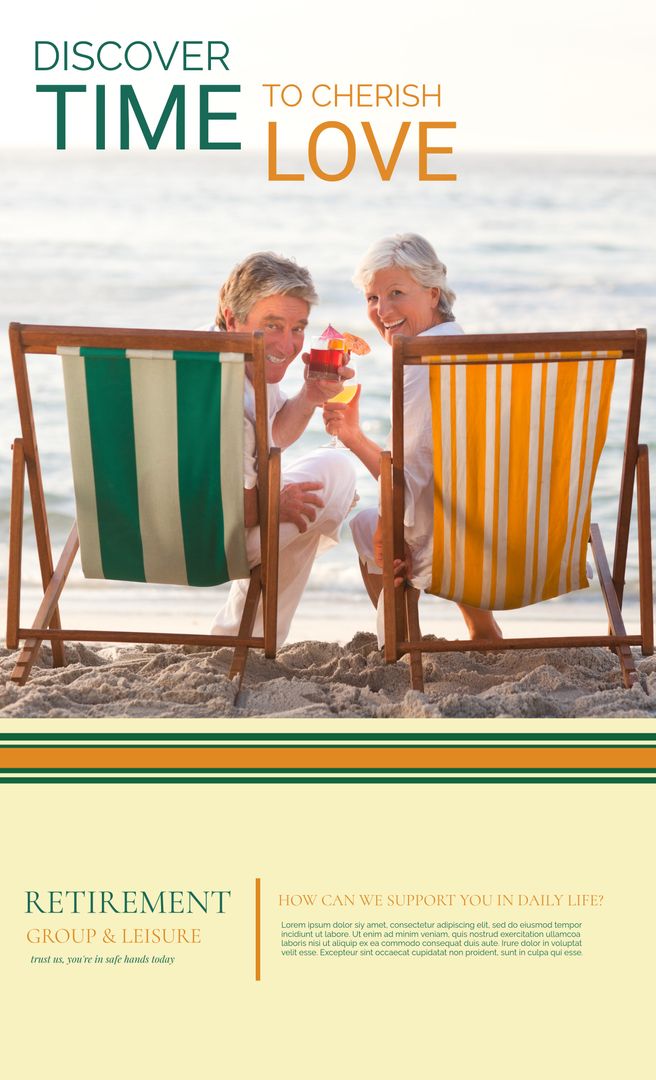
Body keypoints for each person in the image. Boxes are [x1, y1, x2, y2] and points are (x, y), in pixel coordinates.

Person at [322, 233, 501, 644]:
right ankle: (483, 630)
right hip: (519, 540)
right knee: (448, 504)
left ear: (433, 293)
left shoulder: (422, 361)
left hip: (459, 548)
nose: (381, 310)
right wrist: (352, 436)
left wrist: (386, 526)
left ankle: (401, 642)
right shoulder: (472, 351)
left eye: (395, 293)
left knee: (370, 526)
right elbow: (422, 468)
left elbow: (408, 477)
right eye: (371, 298)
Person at [209, 251, 356, 645]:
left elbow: (271, 434)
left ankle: (242, 635)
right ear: (232, 317)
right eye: (272, 325)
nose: (288, 344)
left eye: (298, 328)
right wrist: (276, 504)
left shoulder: (226, 354)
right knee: (332, 478)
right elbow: (239, 510)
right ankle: (248, 637)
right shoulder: (224, 388)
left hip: (137, 537)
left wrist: (309, 394)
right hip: (205, 544)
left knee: (312, 494)